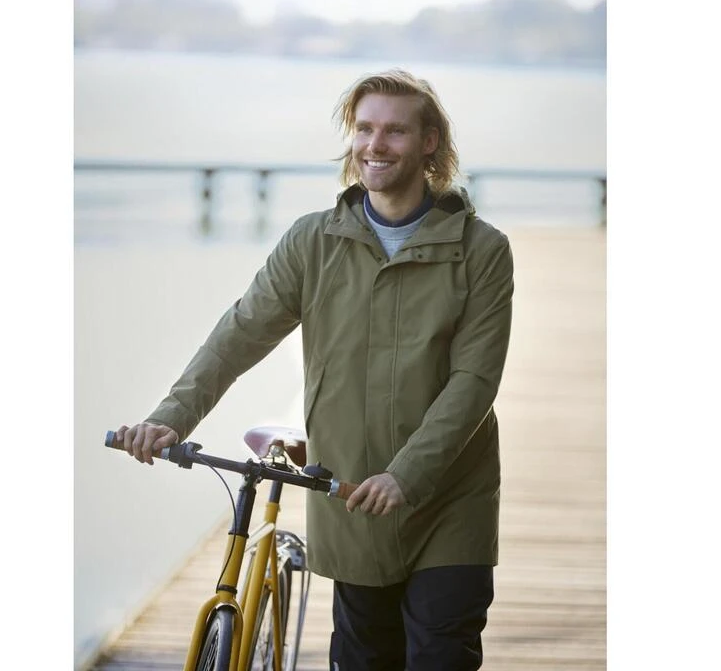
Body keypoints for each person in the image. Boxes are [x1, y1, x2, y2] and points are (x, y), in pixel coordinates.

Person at [117, 69, 514, 670]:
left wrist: (406, 475)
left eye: (395, 131)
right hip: (350, 494)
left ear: (429, 142)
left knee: (442, 656)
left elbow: (474, 383)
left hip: (450, 500)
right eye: (364, 128)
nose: (375, 144)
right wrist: (172, 416)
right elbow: (239, 335)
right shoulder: (313, 241)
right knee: (363, 659)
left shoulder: (482, 250)